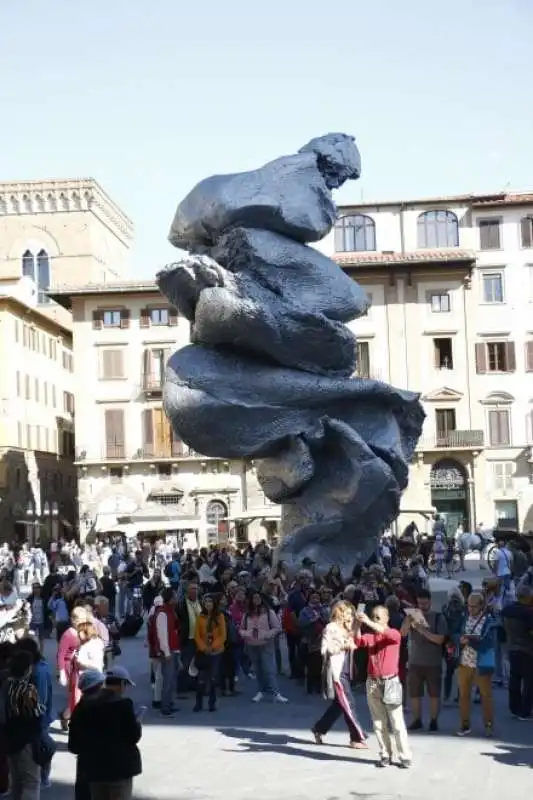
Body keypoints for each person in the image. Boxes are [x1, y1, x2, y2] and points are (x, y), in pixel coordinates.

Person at [68, 664, 142, 800]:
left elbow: (74, 744)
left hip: (95, 770)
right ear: (122, 684)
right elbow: (133, 736)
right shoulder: (123, 706)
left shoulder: (84, 707)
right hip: (119, 769)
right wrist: (137, 722)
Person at [354, 605, 411, 768]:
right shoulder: (371, 637)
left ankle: (405, 756)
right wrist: (358, 624)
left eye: (379, 617)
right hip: (373, 682)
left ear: (387, 619)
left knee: (397, 722)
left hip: (390, 682)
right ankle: (385, 754)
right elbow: (358, 640)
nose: (375, 620)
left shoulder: (394, 634)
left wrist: (369, 623)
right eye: (374, 617)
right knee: (378, 722)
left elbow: (387, 633)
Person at [311, 600, 367, 749]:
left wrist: (357, 626)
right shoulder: (331, 628)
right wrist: (343, 645)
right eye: (347, 613)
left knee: (339, 705)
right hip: (337, 670)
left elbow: (357, 641)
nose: (349, 616)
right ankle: (357, 737)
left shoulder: (346, 627)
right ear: (339, 613)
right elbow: (325, 649)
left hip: (346, 668)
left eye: (351, 613)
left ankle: (319, 728)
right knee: (349, 702)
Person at [401, 589, 447, 732]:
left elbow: (440, 639)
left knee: (434, 694)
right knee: (415, 693)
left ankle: (433, 721)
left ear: (430, 602)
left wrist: (423, 631)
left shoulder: (438, 617)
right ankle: (417, 720)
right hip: (415, 661)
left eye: (425, 603)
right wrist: (408, 622)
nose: (422, 606)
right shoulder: (413, 616)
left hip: (433, 662)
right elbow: (402, 634)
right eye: (420, 603)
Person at [1, 649, 42, 800]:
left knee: (16, 781)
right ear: (27, 669)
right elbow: (36, 715)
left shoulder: (6, 685)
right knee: (31, 781)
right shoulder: (27, 689)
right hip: (26, 739)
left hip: (9, 736)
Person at [456, 591, 496, 736]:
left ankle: (489, 725)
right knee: (464, 696)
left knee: (486, 695)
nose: (470, 609)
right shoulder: (464, 618)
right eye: (469, 606)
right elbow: (457, 633)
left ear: (481, 606)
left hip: (480, 664)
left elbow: (488, 642)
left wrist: (470, 641)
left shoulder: (488, 621)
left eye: (474, 606)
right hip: (465, 663)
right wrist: (459, 640)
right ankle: (465, 725)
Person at [16, 636, 55, 788]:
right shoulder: (36, 669)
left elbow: (41, 699)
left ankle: (44, 776)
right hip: (36, 718)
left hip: (39, 719)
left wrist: (37, 716)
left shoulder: (38, 671)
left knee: (42, 746)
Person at [240, 591, 287, 703]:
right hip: (252, 644)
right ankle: (261, 691)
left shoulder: (269, 612)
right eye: (254, 598)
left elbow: (277, 627)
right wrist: (247, 634)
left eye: (258, 598)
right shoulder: (247, 614)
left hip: (266, 644)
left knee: (269, 669)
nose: (256, 600)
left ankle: (276, 693)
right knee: (258, 669)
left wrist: (267, 635)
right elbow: (241, 629)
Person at [501, 585, 533, 719]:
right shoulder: (528, 613)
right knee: (529, 682)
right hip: (527, 650)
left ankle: (515, 708)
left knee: (514, 679)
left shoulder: (507, 610)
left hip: (512, 648)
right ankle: (525, 711)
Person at [57, 606, 89, 729]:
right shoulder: (68, 634)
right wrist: (62, 672)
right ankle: (73, 720)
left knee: (78, 696)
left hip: (79, 666)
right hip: (70, 668)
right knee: (75, 696)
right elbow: (60, 654)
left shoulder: (82, 631)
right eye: (79, 619)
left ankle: (66, 716)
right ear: (73, 620)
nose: (81, 622)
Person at [193, 595, 226, 712]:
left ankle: (212, 703)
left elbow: (223, 635)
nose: (208, 604)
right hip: (203, 652)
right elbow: (196, 635)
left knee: (213, 678)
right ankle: (198, 703)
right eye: (206, 602)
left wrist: (212, 647)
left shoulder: (220, 616)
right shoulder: (200, 617)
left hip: (216, 652)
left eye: (210, 602)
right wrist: (203, 647)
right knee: (201, 679)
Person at [154, 587, 181, 717]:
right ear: (170, 599)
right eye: (175, 597)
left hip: (174, 649)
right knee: (168, 680)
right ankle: (165, 706)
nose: (176, 599)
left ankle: (169, 703)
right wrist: (167, 652)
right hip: (169, 651)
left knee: (172, 679)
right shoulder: (163, 613)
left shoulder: (171, 612)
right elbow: (162, 634)